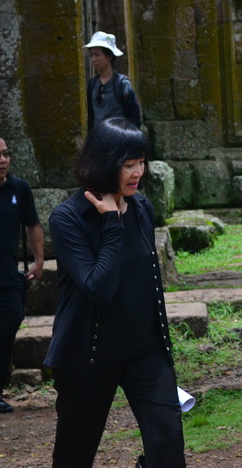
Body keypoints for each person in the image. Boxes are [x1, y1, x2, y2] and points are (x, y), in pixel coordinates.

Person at [45, 118, 185, 467]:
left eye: (141, 162)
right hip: (88, 355)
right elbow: (99, 288)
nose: (138, 172)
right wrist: (111, 223)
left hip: (144, 350)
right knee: (74, 455)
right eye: (128, 164)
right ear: (105, 164)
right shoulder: (67, 218)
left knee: (168, 443)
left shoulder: (141, 207)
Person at [0, 136, 44, 413]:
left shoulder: (19, 188)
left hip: (8, 279)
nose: (2, 160)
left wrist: (39, 260)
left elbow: (33, 224)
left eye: (5, 154)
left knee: (7, 330)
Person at [84, 31, 142, 129]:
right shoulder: (92, 84)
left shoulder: (122, 83)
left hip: (118, 136)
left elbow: (135, 117)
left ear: (109, 56)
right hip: (98, 136)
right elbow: (91, 117)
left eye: (97, 55)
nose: (93, 59)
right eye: (91, 55)